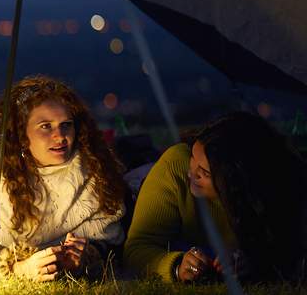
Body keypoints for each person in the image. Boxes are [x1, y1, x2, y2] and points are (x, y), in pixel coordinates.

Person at [0, 75, 126, 280]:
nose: (60, 136)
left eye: (66, 125)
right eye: (46, 126)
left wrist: (86, 255)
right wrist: (13, 266)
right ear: (21, 134)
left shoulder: (94, 170)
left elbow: (109, 238)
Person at [124, 111, 307, 282]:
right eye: (193, 160)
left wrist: (256, 259)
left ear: (237, 179)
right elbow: (137, 249)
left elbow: (291, 246)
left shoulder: (275, 190)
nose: (191, 173)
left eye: (204, 172)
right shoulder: (176, 167)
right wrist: (176, 266)